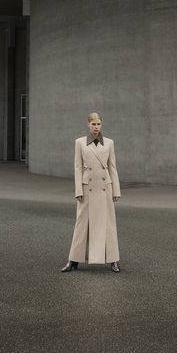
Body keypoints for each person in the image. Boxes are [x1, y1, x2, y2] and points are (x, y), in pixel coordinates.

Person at [61, 112, 121, 273]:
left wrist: (116, 190)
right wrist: (78, 190)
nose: (96, 127)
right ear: (88, 124)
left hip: (104, 188)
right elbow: (78, 167)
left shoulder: (109, 143)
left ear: (102, 124)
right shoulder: (79, 142)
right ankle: (73, 260)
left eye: (99, 124)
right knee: (81, 225)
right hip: (87, 189)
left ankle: (113, 260)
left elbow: (112, 167)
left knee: (108, 224)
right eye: (93, 124)